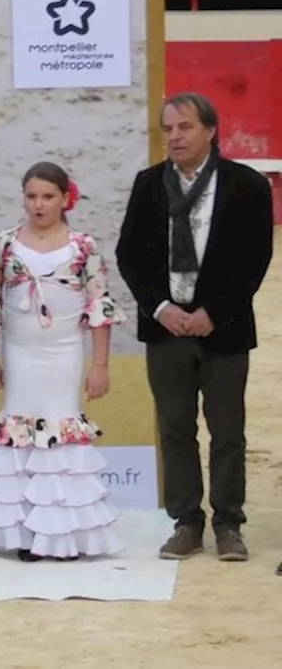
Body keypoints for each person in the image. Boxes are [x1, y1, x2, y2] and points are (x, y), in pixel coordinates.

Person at [115, 92, 274, 564]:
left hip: (222, 330)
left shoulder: (247, 185)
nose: (175, 137)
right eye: (168, 129)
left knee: (228, 430)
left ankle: (228, 522)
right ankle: (187, 523)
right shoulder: (148, 185)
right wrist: (161, 307)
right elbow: (130, 255)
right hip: (166, 329)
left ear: (210, 130)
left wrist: (214, 311)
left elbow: (255, 257)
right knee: (175, 427)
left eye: (184, 127)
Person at [0, 162, 126, 561]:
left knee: (59, 427)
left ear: (64, 199)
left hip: (64, 353)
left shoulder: (83, 247)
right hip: (19, 353)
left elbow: (99, 307)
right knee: (20, 425)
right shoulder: (5, 243)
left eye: (48, 196)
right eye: (32, 196)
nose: (38, 204)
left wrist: (100, 365)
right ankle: (24, 533)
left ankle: (61, 534)